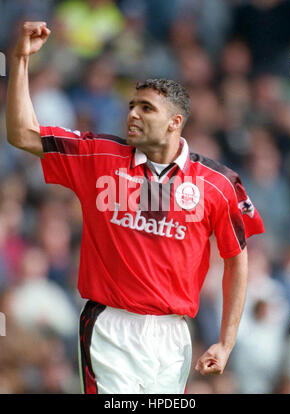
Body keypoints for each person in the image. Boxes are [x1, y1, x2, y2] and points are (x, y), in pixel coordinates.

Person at [6, 21, 264, 394]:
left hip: (174, 334)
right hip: (109, 327)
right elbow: (22, 133)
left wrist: (226, 341)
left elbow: (237, 259)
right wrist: (19, 60)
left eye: (146, 108)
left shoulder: (218, 184)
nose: (133, 114)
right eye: (131, 105)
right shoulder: (97, 154)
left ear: (175, 122)